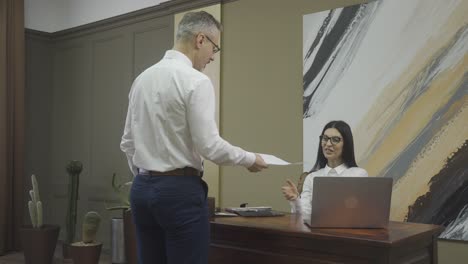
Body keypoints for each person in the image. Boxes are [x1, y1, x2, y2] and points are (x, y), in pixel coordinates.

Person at [120, 11, 268, 264]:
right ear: (201, 40)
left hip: (141, 191)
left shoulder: (141, 80)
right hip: (179, 192)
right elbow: (209, 146)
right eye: (215, 47)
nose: (212, 56)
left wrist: (149, 177)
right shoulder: (196, 81)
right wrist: (249, 159)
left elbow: (127, 143)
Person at [282, 120, 368, 216]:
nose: (328, 144)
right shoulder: (311, 178)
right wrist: (295, 200)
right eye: (325, 138)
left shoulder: (358, 174)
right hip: (317, 230)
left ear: (346, 144)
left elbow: (362, 213)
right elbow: (304, 215)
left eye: (335, 139)